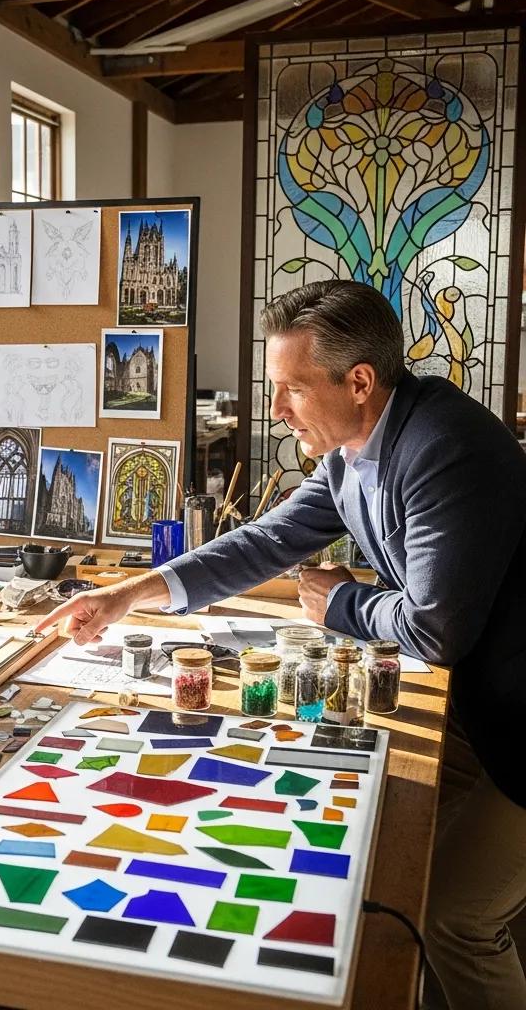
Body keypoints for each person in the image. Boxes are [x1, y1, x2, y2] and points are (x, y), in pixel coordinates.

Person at [38, 280, 526, 1010]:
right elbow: (264, 541)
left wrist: (344, 605)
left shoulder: (444, 449)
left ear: (359, 382)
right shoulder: (354, 451)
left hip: (522, 731)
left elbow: (434, 629)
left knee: (453, 913)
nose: (273, 411)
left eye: (290, 389)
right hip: (486, 712)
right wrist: (128, 594)